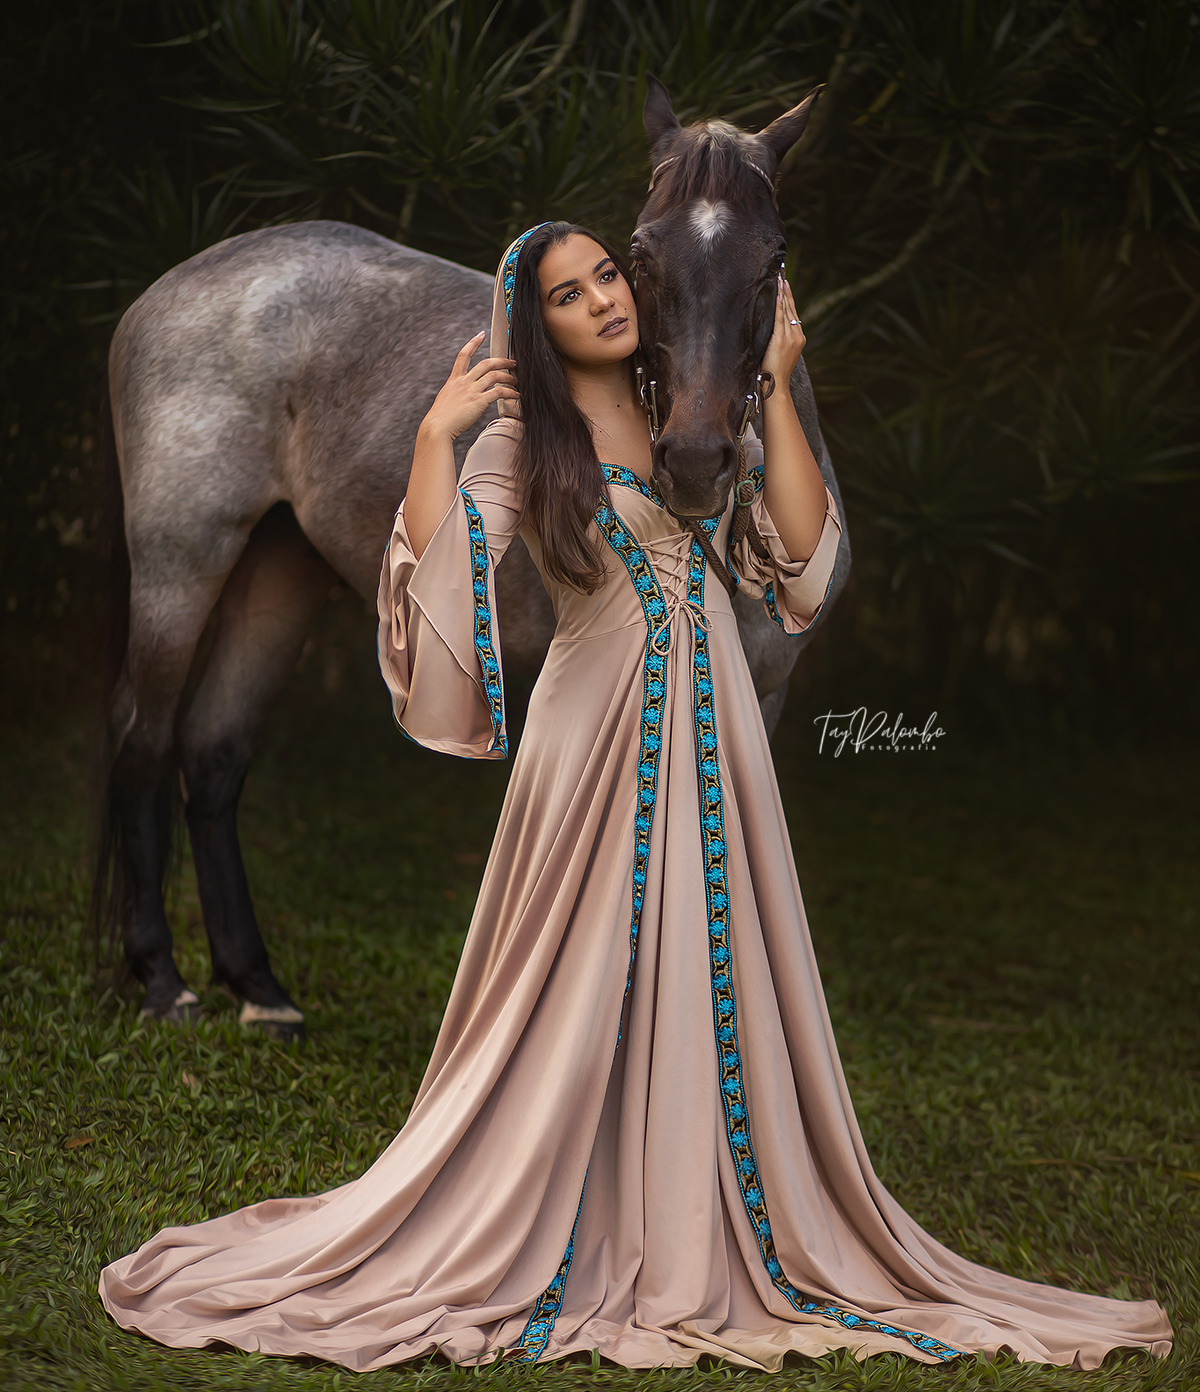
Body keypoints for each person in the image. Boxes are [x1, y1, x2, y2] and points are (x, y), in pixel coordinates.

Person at [99, 221, 1172, 1373]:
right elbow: (444, 584)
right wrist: (433, 436)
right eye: (570, 295)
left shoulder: (693, 411)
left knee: (714, 947)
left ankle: (706, 1187)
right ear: (537, 325)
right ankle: (571, 1198)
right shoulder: (532, 433)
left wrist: (776, 380)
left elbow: (802, 565)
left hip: (714, 729)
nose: (605, 301)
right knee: (579, 959)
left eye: (609, 275)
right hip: (593, 724)